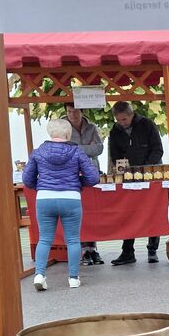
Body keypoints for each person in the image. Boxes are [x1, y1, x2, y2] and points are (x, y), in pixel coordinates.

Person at [22, 118, 100, 291]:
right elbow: (93, 178)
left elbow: (27, 179)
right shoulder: (77, 152)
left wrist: (42, 186)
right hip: (70, 198)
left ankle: (40, 275)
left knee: (44, 239)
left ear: (51, 133)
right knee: (72, 240)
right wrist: (78, 183)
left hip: (44, 198)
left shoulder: (37, 152)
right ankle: (73, 278)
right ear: (68, 133)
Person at [107, 101, 164, 265]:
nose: (122, 123)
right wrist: (123, 168)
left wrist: (145, 168)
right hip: (128, 178)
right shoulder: (115, 131)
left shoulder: (147, 125)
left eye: (124, 119)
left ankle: (152, 250)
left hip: (151, 175)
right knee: (128, 212)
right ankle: (127, 252)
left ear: (132, 115)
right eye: (119, 120)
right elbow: (114, 154)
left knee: (152, 211)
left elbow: (157, 149)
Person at [65, 105, 105, 266]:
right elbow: (65, 150)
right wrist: (88, 148)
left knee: (92, 212)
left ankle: (93, 249)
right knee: (78, 213)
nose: (72, 114)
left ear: (82, 112)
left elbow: (99, 148)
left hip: (91, 173)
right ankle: (83, 251)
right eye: (69, 112)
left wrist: (76, 149)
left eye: (75, 111)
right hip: (72, 175)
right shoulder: (63, 128)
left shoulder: (92, 127)